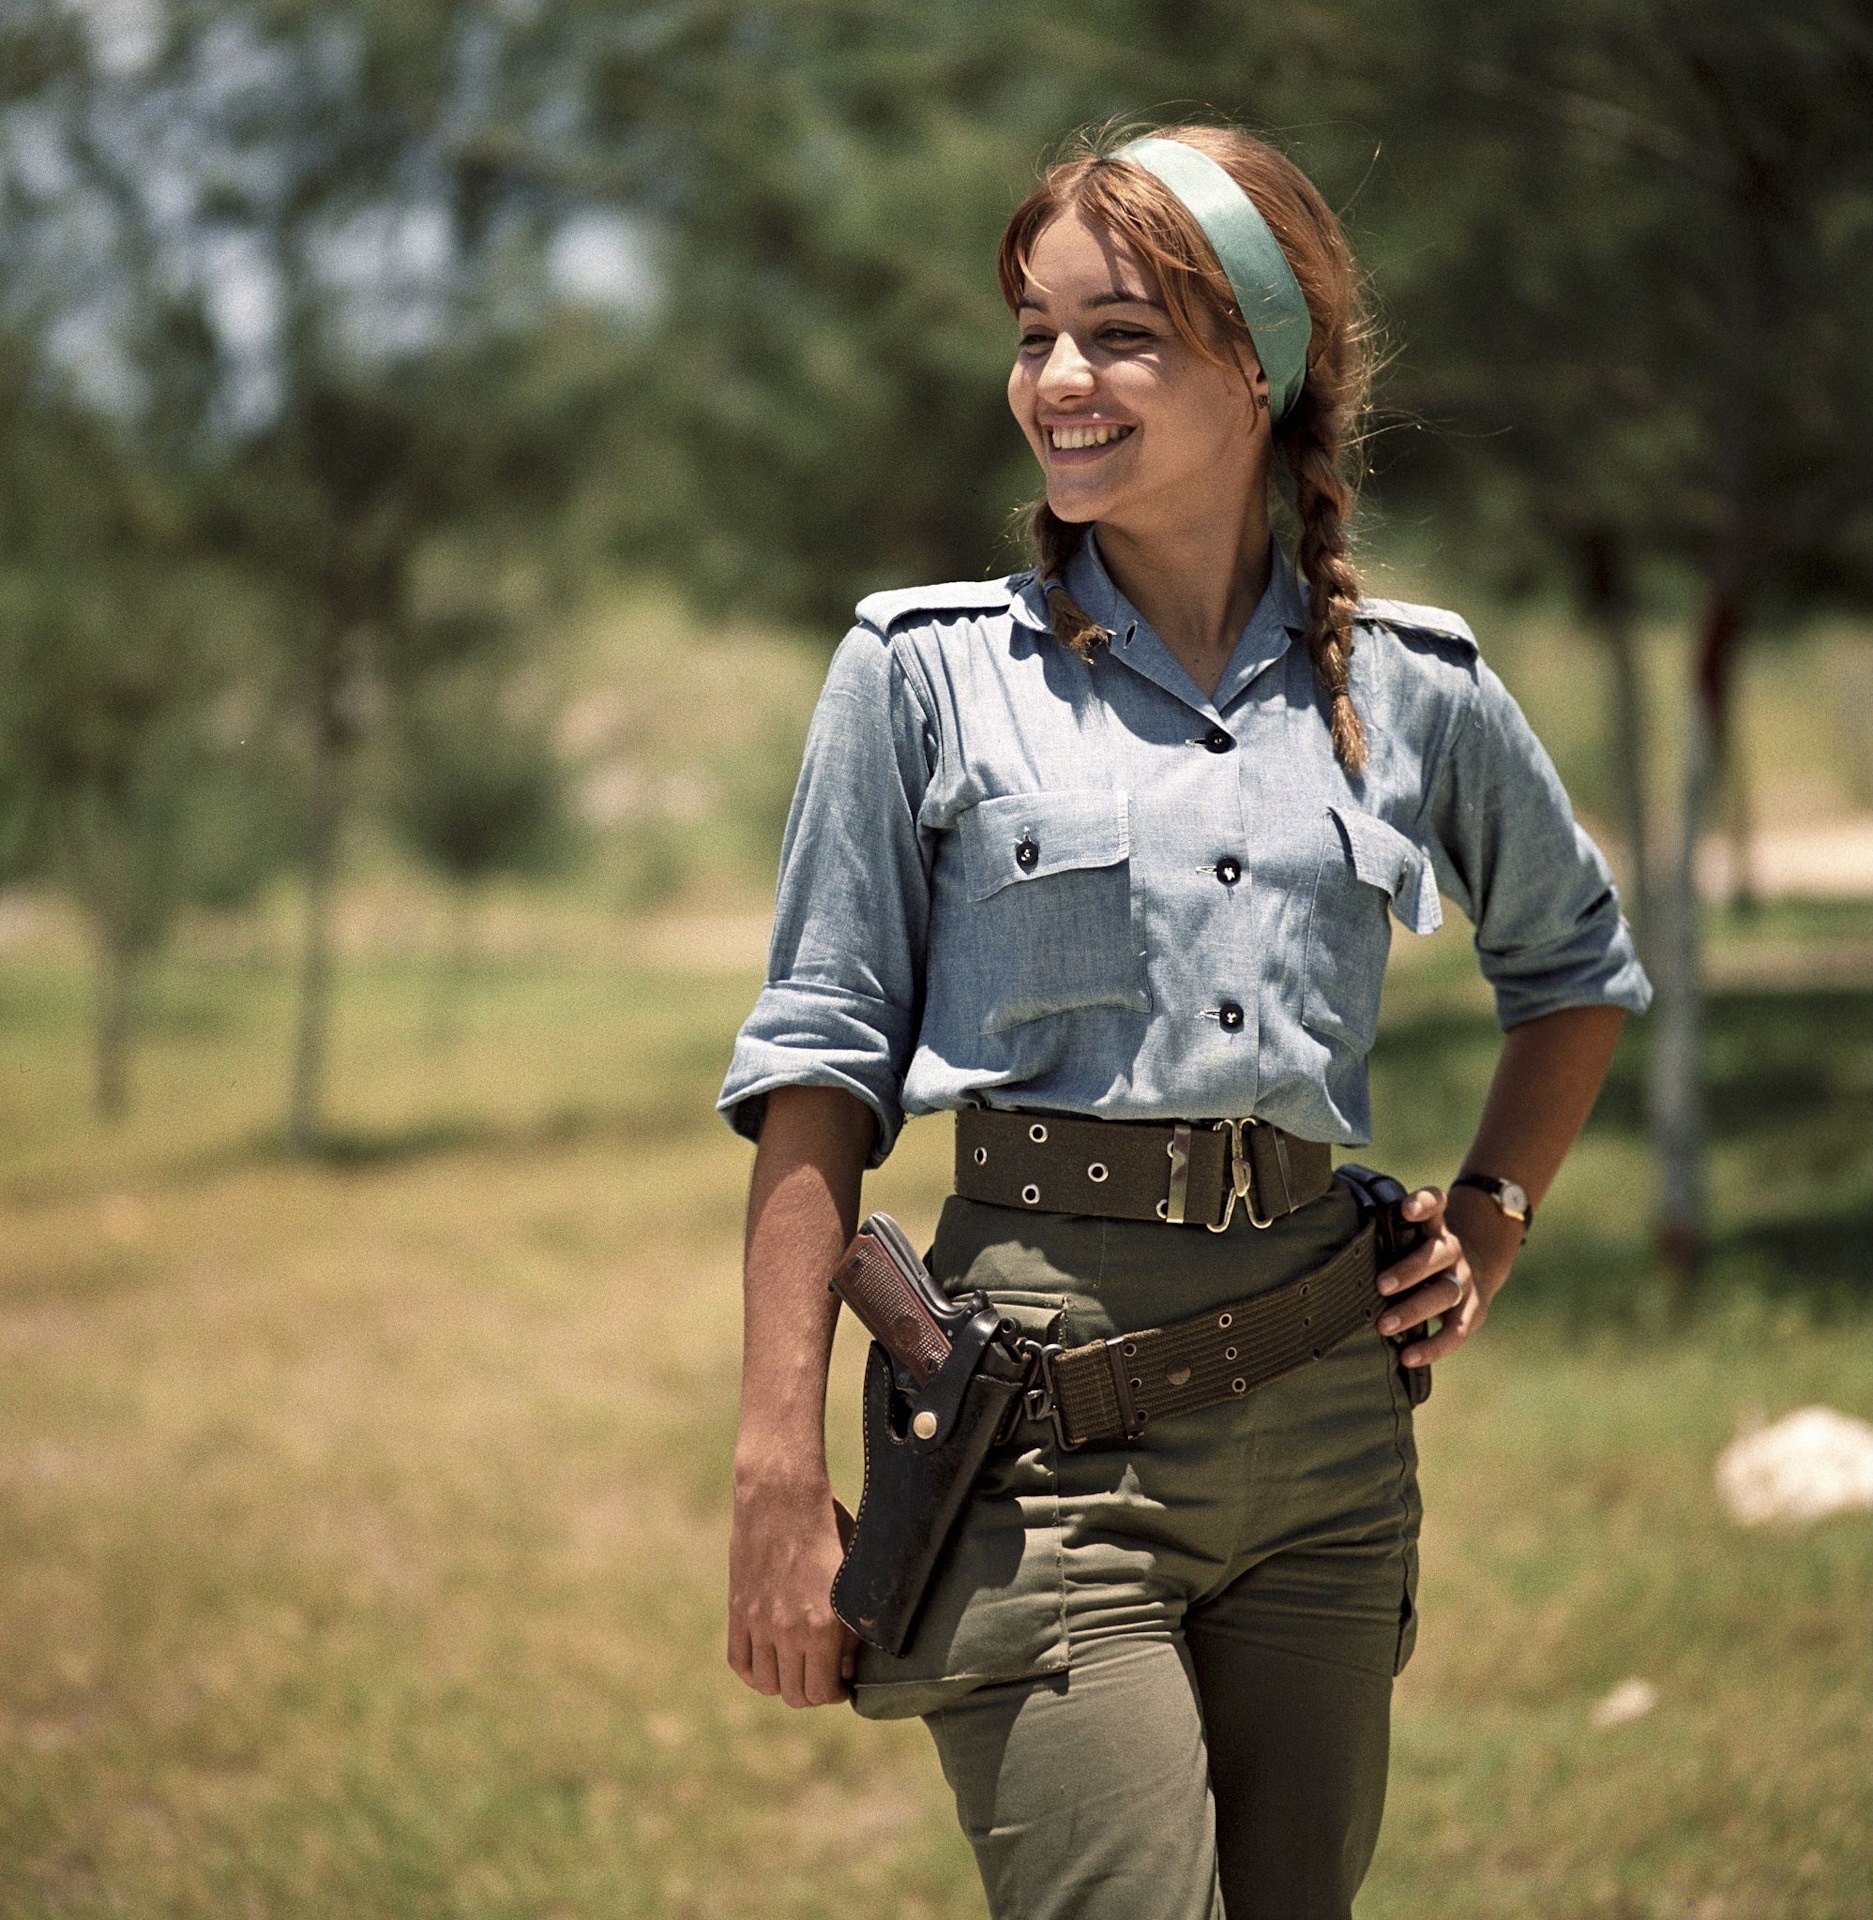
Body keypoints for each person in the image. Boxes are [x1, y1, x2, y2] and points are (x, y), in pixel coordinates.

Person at [716, 124, 1650, 1920]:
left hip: (1327, 1425)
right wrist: (775, 1468)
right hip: (1033, 1428)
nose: (1057, 380)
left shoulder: (1416, 689)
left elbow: (1575, 973)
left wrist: (1486, 1225)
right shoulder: (920, 673)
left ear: (1262, 362)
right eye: (1031, 329)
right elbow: (817, 1067)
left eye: (1120, 330)